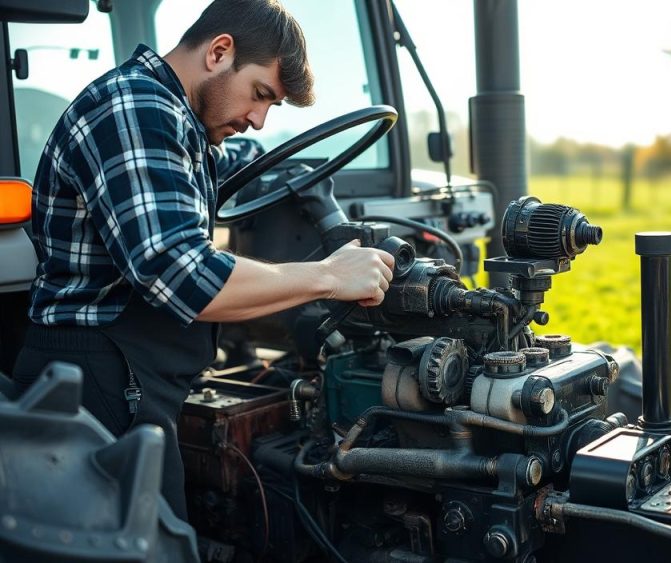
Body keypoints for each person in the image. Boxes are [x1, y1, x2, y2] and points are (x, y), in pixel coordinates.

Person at [12, 0, 394, 520]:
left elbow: (256, 168)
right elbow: (183, 276)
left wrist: (302, 182)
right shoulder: (134, 109)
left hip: (134, 378)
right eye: (260, 95)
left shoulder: (184, 125)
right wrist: (329, 276)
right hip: (95, 381)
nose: (259, 119)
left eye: (271, 108)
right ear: (219, 52)